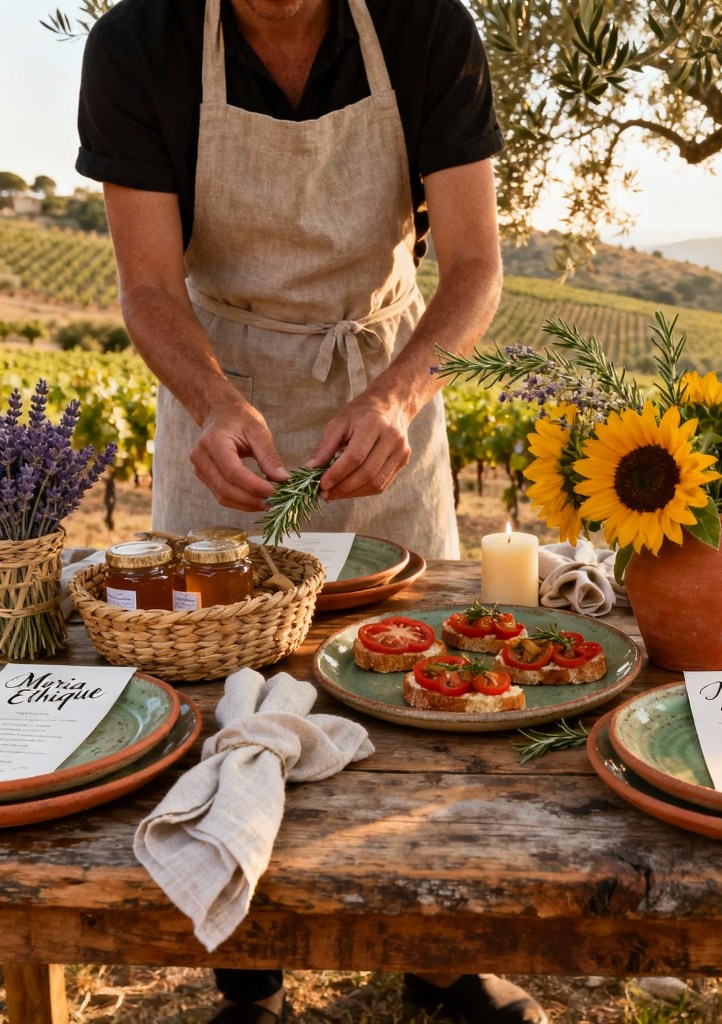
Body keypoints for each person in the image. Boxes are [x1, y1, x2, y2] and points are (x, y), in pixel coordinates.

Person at [76, 0, 547, 1021]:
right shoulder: (137, 45)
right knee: (228, 690)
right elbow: (148, 286)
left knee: (423, 684)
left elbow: (474, 266)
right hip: (219, 389)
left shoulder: (425, 28)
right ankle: (247, 974)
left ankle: (439, 961)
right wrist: (212, 401)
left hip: (385, 378)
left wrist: (398, 397)